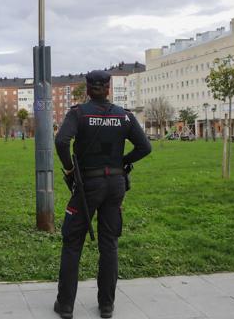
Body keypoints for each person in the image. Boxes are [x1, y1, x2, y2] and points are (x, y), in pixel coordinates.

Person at [53, 70, 151, 319]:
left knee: (72, 243)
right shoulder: (124, 116)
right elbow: (145, 147)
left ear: (88, 88)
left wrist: (69, 170)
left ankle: (65, 306)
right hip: (115, 184)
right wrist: (123, 162)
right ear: (108, 88)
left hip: (88, 185)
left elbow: (62, 141)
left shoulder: (78, 113)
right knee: (109, 244)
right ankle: (106, 306)